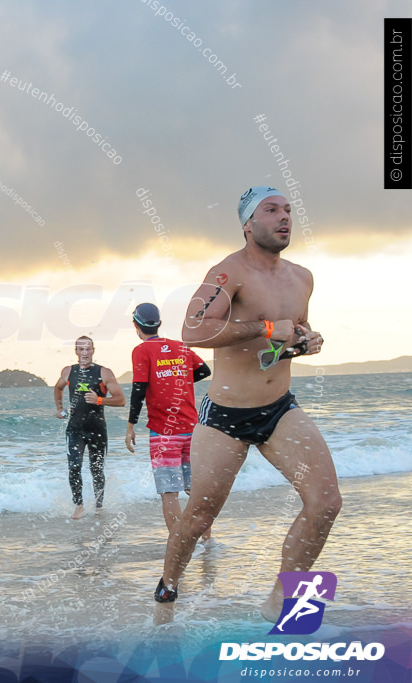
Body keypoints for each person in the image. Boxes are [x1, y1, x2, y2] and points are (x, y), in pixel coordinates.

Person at [154, 186, 340, 624]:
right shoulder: (226, 272)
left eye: (288, 210)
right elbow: (192, 332)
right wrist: (267, 327)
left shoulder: (302, 277)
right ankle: (168, 585)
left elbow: (291, 333)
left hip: (280, 409)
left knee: (326, 503)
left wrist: (304, 341)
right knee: (199, 516)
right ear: (247, 224)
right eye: (271, 210)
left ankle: (283, 601)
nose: (284, 217)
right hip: (225, 417)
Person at [125, 303, 213, 545]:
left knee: (169, 492)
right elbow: (204, 370)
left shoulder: (142, 351)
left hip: (164, 434)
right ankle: (207, 541)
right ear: (159, 323)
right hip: (191, 430)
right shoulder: (180, 347)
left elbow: (138, 389)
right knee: (196, 491)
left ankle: (179, 544)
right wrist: (181, 378)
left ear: (136, 325)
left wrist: (131, 424)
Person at [54, 336, 125, 519]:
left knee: (96, 469)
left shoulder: (104, 373)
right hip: (75, 429)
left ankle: (99, 507)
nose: (85, 353)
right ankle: (78, 505)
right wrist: (60, 408)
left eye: (88, 349)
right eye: (81, 349)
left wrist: (100, 400)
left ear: (93, 350)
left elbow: (121, 399)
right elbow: (58, 388)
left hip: (97, 429)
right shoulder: (69, 371)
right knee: (74, 467)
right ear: (76, 351)